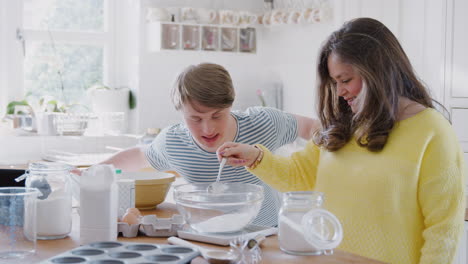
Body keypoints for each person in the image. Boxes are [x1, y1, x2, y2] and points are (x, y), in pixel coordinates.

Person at [217, 17, 465, 264]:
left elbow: (443, 229)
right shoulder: (341, 126)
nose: (339, 91)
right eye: (334, 82)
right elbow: (299, 176)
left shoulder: (432, 132)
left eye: (346, 80)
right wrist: (257, 157)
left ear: (378, 71)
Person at [100, 62, 319, 227]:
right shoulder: (174, 142)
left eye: (217, 115)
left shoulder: (263, 124)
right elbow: (140, 155)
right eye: (195, 119)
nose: (208, 129)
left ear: (231, 104)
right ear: (180, 112)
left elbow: (312, 128)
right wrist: (98, 171)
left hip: (268, 232)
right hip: (208, 234)